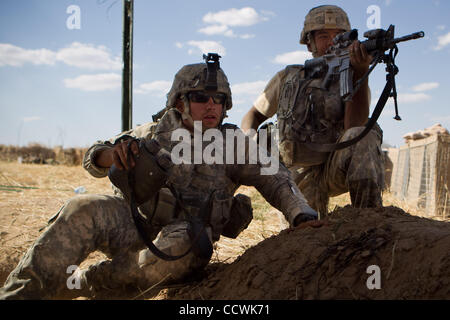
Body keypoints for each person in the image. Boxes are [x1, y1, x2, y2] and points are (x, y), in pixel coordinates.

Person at [0, 55, 318, 300]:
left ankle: (84, 282)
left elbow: (275, 176)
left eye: (218, 100)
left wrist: (300, 214)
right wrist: (112, 155)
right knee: (81, 208)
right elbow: (92, 158)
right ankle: (18, 293)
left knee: (187, 245)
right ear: (179, 102)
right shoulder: (152, 134)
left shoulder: (234, 146)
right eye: (201, 98)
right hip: (133, 223)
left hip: (183, 239)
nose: (211, 106)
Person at [241, 5, 384, 217]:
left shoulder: (353, 75)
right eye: (323, 36)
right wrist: (251, 144)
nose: (332, 42)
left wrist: (360, 75)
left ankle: (368, 222)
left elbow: (353, 130)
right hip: (297, 172)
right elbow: (253, 115)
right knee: (307, 233)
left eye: (340, 35)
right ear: (309, 43)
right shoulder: (288, 78)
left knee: (364, 135)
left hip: (333, 167)